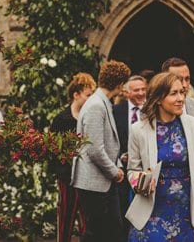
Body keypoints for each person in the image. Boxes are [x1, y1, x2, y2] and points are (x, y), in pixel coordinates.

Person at [124, 72, 194, 241]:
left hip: (185, 212)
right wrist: (140, 180)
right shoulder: (138, 130)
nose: (181, 98)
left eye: (182, 92)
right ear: (158, 98)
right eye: (174, 93)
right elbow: (132, 169)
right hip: (150, 212)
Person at [71, 60, 131, 242]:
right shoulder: (96, 105)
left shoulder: (102, 102)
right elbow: (94, 149)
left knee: (109, 231)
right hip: (94, 183)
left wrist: (119, 160)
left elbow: (106, 144)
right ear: (120, 84)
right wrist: (115, 172)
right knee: (100, 233)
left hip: (100, 181)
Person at [161, 58, 194, 241]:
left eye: (187, 79)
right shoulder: (152, 112)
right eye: (179, 79)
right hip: (166, 195)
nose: (184, 85)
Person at [50, 73, 95, 242]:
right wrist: (62, 172)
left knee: (87, 221)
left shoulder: (91, 117)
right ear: (76, 95)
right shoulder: (62, 119)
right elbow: (53, 149)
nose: (91, 99)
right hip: (67, 177)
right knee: (66, 218)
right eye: (88, 95)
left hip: (88, 177)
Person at [113, 75, 147, 233]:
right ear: (126, 93)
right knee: (123, 213)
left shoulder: (151, 110)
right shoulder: (116, 111)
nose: (141, 93)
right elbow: (112, 139)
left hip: (146, 171)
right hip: (123, 172)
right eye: (136, 90)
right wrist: (121, 156)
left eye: (143, 89)